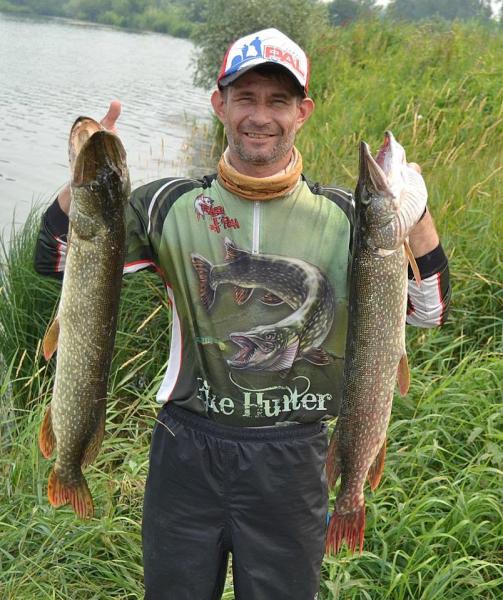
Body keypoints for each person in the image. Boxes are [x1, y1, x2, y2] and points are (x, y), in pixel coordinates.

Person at [35, 28, 450, 600]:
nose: (260, 116)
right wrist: (86, 180)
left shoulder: (346, 216)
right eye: (246, 97)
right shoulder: (168, 204)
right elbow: (55, 258)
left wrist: (414, 213)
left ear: (302, 112)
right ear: (219, 104)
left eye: (278, 100)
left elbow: (428, 311)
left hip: (293, 459)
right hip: (187, 450)